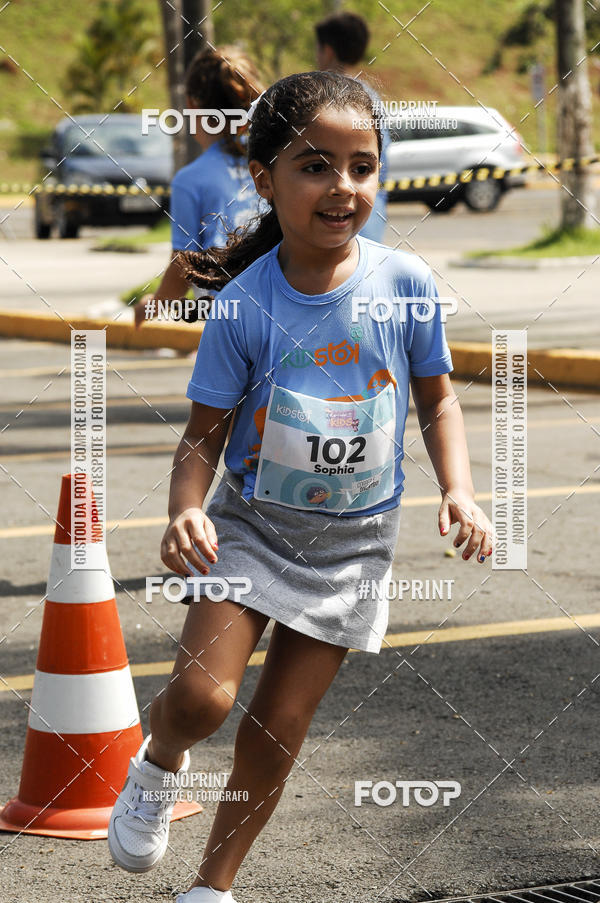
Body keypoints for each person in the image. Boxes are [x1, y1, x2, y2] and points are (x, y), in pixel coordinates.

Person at [108, 71, 493, 902]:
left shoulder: (404, 284)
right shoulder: (245, 306)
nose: (342, 187)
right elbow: (202, 437)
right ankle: (158, 761)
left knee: (278, 727)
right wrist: (184, 509)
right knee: (203, 699)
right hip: (250, 527)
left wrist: (459, 491)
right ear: (265, 179)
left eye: (362, 166)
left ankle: (212, 885)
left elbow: (438, 400)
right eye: (316, 166)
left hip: (353, 544)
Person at [134, 46, 265, 327]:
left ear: (192, 105)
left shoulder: (191, 180)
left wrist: (155, 305)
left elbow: (184, 265)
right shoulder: (275, 163)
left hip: (228, 323)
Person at [315, 10, 391, 243]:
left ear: (327, 51)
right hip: (372, 216)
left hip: (331, 219)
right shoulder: (373, 97)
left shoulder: (320, 100)